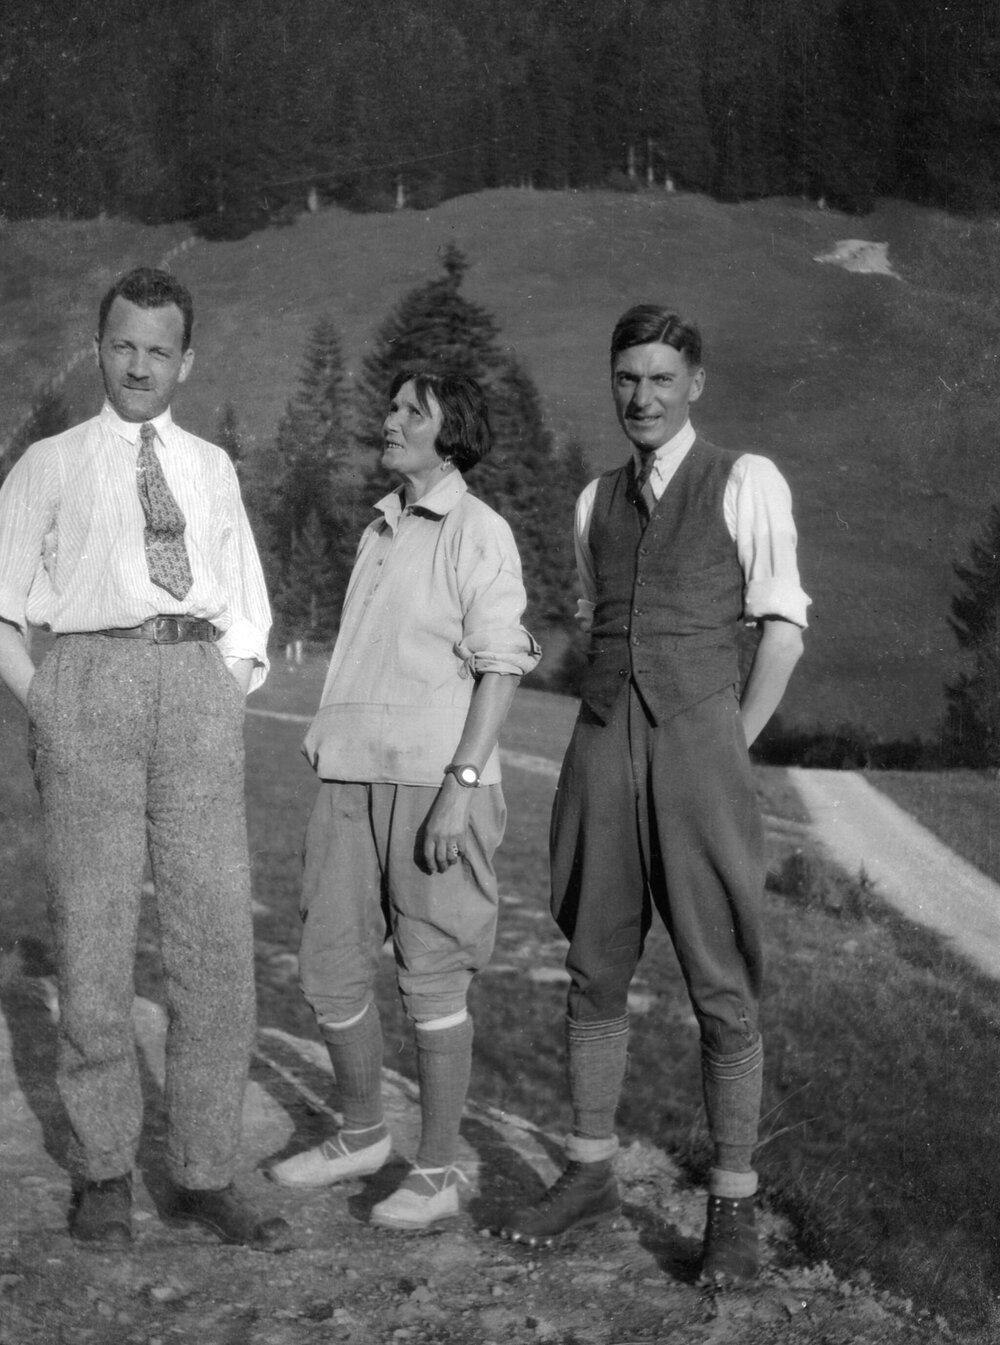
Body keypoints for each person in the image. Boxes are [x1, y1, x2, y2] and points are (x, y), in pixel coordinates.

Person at [499, 305, 809, 1284]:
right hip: (601, 748)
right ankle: (589, 1171)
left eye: (661, 379)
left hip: (697, 749)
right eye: (626, 378)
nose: (642, 396)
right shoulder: (595, 501)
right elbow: (599, 625)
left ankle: (732, 1208)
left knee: (721, 981)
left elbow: (783, 626)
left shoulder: (743, 480)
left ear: (695, 384)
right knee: (592, 963)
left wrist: (729, 739)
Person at [0, 267, 286, 1250]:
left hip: (196, 689)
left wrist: (225, 684)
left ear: (185, 361)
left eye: (158, 349)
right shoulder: (49, 461)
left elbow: (246, 600)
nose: (137, 364)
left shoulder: (210, 467)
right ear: (99, 346)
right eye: (122, 344)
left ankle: (206, 1170)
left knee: (214, 945)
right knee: (92, 938)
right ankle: (104, 1169)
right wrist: (49, 701)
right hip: (89, 686)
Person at [268, 370, 539, 1231]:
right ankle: (359, 1133)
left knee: (433, 971)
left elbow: (501, 666)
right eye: (390, 409)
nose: (388, 422)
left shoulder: (478, 530)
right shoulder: (378, 529)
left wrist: (459, 791)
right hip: (349, 775)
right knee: (330, 962)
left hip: (436, 787)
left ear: (449, 433)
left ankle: (441, 1165)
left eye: (408, 413)